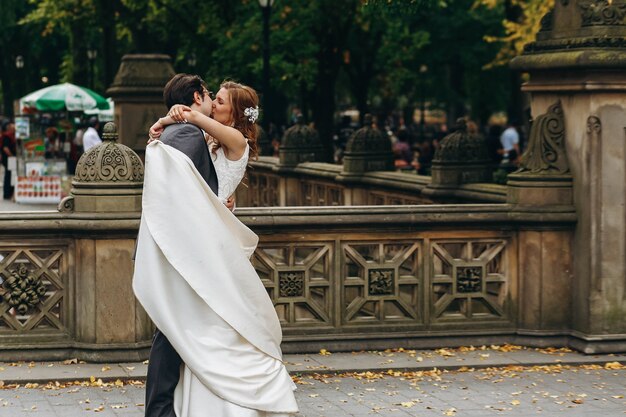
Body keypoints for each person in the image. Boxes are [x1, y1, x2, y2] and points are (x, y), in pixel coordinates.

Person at [134, 76, 298, 417]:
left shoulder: (236, 139)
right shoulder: (205, 142)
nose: (214, 103)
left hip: (210, 247)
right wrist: (166, 122)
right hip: (201, 241)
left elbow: (194, 119)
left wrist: (170, 117)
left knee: (205, 324)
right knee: (197, 324)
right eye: (213, 97)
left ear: (235, 112)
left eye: (220, 101)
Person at [1, 121, 16, 200]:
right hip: (8, 159)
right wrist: (12, 156)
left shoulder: (11, 136)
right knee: (8, 175)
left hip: (10, 159)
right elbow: (5, 148)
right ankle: (7, 194)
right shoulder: (7, 136)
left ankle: (10, 193)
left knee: (10, 175)